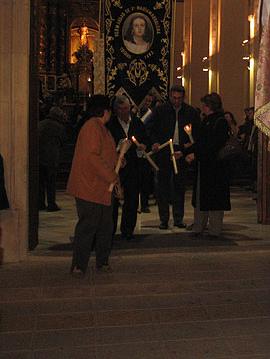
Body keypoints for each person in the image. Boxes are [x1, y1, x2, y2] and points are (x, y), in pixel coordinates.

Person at [66, 95, 120, 276]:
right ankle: (79, 265)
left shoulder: (102, 129)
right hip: (90, 187)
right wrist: (111, 175)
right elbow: (91, 158)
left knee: (106, 226)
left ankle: (102, 261)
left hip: (103, 188)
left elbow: (104, 154)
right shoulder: (91, 128)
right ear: (105, 110)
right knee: (87, 227)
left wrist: (120, 160)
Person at [148, 85, 200, 229]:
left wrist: (190, 149)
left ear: (184, 97)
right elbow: (151, 129)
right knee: (162, 186)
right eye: (174, 98)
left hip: (181, 150)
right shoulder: (161, 110)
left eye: (179, 98)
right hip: (164, 150)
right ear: (170, 96)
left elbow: (196, 132)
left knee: (179, 186)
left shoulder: (191, 112)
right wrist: (155, 142)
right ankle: (163, 219)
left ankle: (178, 218)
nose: (176, 101)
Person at [185, 93, 230, 238]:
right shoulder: (206, 121)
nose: (201, 107)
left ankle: (214, 229)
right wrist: (187, 150)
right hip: (205, 166)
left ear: (209, 106)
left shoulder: (220, 121)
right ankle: (199, 226)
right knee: (201, 197)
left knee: (214, 199)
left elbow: (216, 145)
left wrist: (196, 154)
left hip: (216, 168)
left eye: (203, 104)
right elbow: (202, 143)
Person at [106, 95, 150, 239]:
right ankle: (110, 230)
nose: (124, 112)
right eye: (120, 109)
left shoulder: (137, 123)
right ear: (116, 111)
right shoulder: (111, 125)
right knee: (113, 200)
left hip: (133, 166)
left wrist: (142, 146)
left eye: (126, 108)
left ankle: (128, 230)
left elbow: (145, 139)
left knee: (131, 199)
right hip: (116, 167)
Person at [38, 106, 67, 211]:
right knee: (51, 183)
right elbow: (64, 140)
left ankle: (40, 203)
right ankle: (51, 204)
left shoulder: (40, 124)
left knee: (40, 183)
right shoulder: (58, 126)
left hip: (39, 158)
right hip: (51, 158)